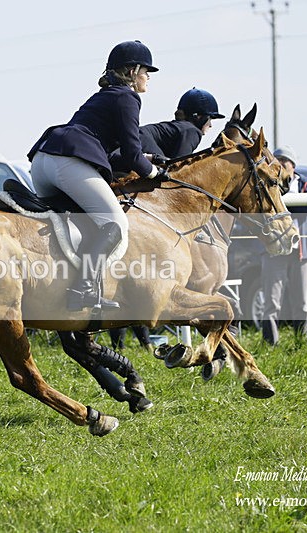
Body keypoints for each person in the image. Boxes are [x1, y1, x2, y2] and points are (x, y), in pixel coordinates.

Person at [27, 40, 160, 311]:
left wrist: (147, 160)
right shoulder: (127, 96)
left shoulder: (104, 96)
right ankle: (83, 289)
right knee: (114, 223)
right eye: (146, 71)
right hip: (67, 162)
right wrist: (155, 172)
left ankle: (60, 285)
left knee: (79, 225)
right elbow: (133, 155)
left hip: (43, 161)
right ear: (133, 71)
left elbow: (114, 155)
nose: (148, 77)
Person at [109, 88, 225, 352]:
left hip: (121, 156)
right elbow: (180, 174)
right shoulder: (190, 131)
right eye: (209, 119)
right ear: (198, 117)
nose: (209, 126)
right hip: (128, 159)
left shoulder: (181, 128)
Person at [260, 146, 307, 345]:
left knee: (301, 302)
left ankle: (302, 341)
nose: (280, 164)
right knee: (271, 301)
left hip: (301, 251)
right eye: (276, 160)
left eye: (284, 161)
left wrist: (283, 205)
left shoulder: (306, 183)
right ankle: (270, 343)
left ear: (293, 165)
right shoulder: (269, 182)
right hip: (274, 250)